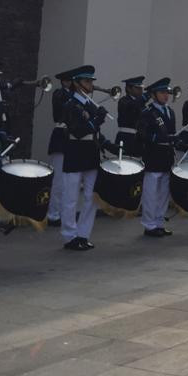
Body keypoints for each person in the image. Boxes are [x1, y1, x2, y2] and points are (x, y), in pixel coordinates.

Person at [60, 65, 112, 251]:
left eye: (91, 81)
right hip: (75, 150)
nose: (90, 84)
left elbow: (94, 132)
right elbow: (79, 130)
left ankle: (83, 234)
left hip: (91, 151)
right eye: (86, 81)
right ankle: (69, 236)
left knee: (91, 197)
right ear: (76, 83)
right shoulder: (70, 104)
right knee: (71, 197)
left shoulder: (91, 104)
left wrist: (107, 144)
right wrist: (97, 120)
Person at [136, 78, 176, 237]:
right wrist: (157, 138)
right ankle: (149, 224)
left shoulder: (170, 112)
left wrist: (175, 140)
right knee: (151, 193)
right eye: (162, 92)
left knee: (164, 193)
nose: (166, 95)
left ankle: (159, 222)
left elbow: (171, 133)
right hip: (153, 156)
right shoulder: (147, 112)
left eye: (167, 92)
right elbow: (142, 134)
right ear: (153, 95)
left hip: (166, 157)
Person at [45, 69, 73, 227]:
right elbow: (61, 109)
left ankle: (62, 212)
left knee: (68, 181)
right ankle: (53, 214)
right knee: (58, 180)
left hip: (71, 137)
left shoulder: (75, 95)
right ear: (63, 81)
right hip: (60, 135)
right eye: (67, 80)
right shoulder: (59, 93)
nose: (70, 83)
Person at [115, 76, 145, 157]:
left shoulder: (141, 104)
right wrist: (146, 97)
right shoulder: (124, 101)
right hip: (125, 139)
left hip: (138, 140)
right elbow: (132, 106)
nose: (141, 91)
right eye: (137, 88)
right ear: (128, 88)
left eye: (141, 88)